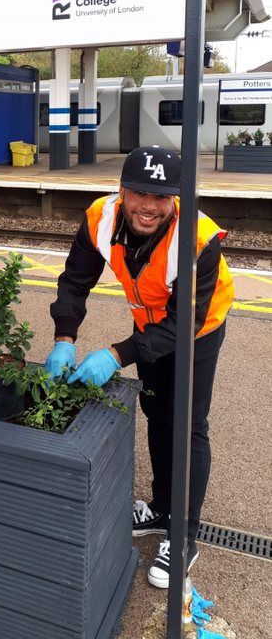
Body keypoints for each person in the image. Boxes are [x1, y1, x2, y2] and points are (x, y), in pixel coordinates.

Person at [46, 145, 233, 589]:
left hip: (197, 329)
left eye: (161, 197)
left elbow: (183, 323)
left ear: (175, 199)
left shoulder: (198, 239)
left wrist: (116, 355)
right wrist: (64, 338)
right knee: (155, 412)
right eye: (139, 194)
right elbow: (75, 280)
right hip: (147, 319)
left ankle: (184, 536)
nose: (149, 207)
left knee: (187, 424)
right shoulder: (99, 218)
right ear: (122, 191)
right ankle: (163, 507)